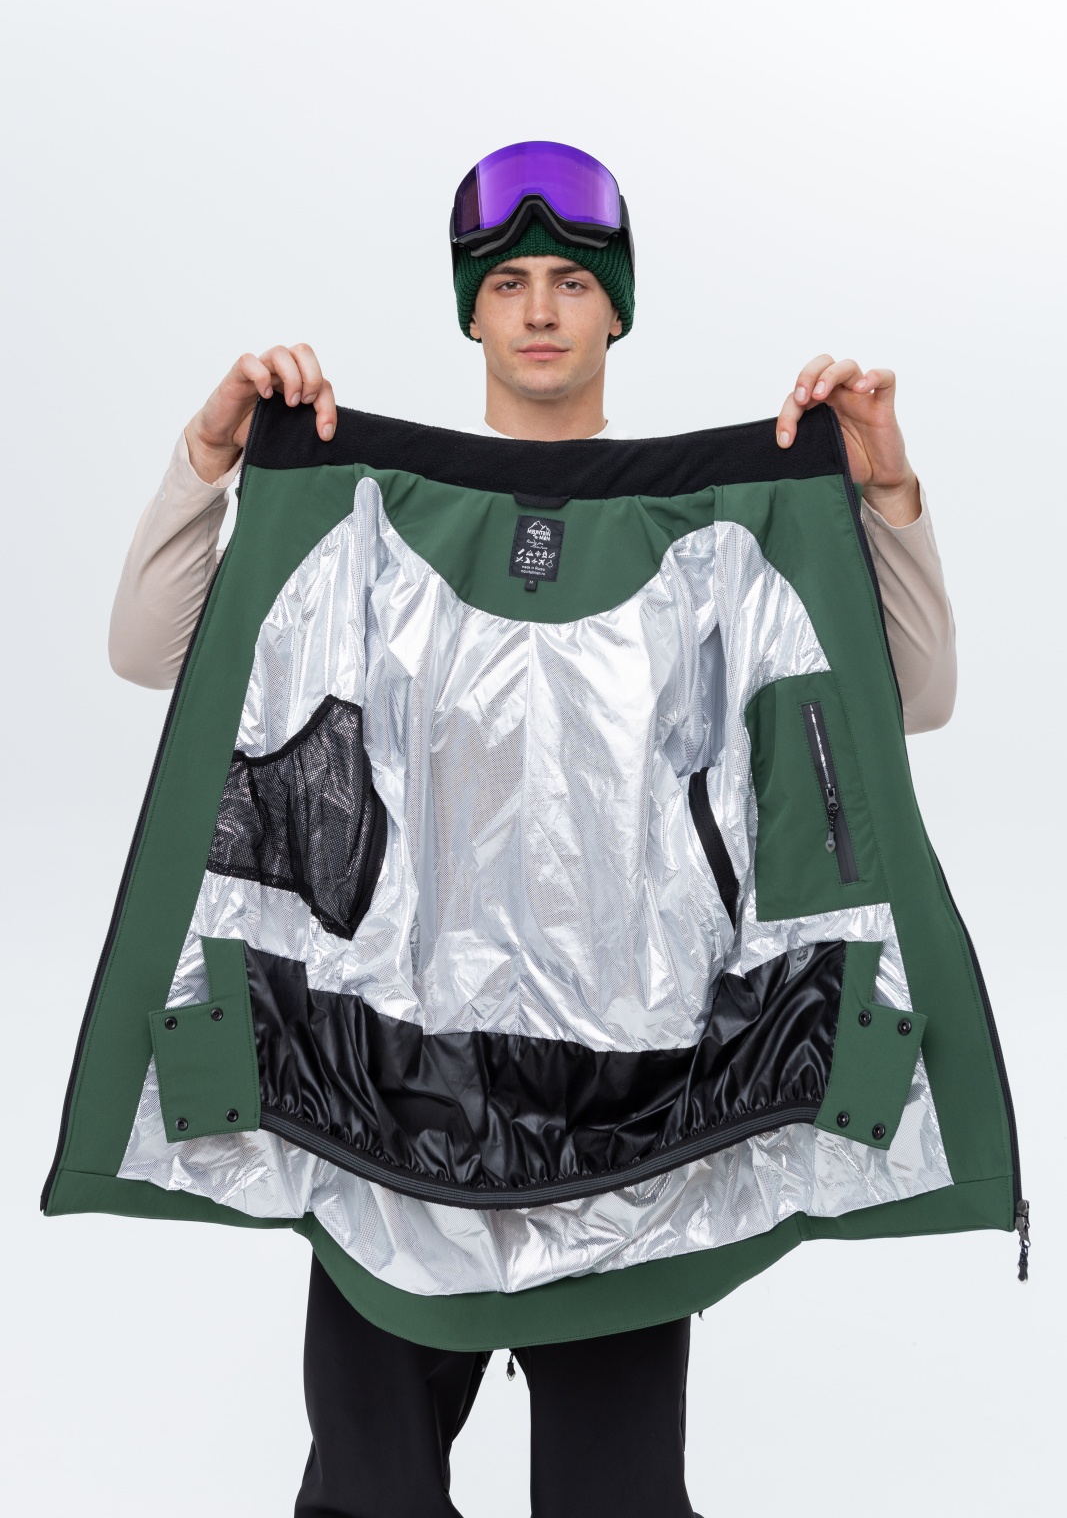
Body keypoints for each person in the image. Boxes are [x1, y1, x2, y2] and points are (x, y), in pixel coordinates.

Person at [107, 141, 956, 1518]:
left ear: (618, 308)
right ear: (473, 313)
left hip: (636, 1110)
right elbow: (155, 656)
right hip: (390, 1095)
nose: (543, 308)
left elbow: (906, 700)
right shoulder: (364, 523)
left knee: (615, 1501)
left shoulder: (719, 536)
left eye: (573, 279)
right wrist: (208, 467)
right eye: (510, 283)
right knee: (368, 1497)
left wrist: (881, 501)